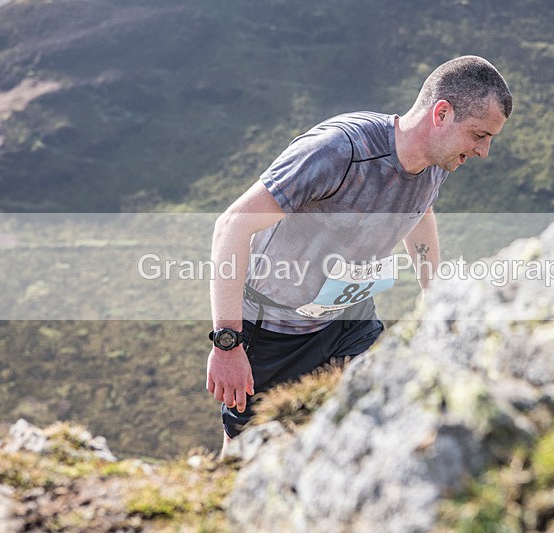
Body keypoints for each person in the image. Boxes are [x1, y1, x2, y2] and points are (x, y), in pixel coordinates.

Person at [206, 55, 512, 452]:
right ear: (441, 113)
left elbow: (420, 212)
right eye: (479, 135)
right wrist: (226, 344)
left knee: (376, 423)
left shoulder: (438, 161)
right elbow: (232, 226)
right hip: (274, 330)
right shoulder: (339, 151)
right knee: (244, 453)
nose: (483, 151)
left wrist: (434, 298)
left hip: (350, 319)